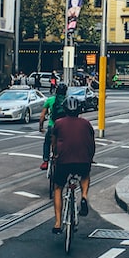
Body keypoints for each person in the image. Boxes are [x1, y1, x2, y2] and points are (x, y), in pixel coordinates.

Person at [50, 96, 95, 234]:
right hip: (83, 161)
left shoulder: (58, 123)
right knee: (85, 175)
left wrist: (55, 155)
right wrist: (90, 158)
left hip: (63, 161)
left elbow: (54, 143)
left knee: (58, 188)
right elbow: (92, 143)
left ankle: (58, 223)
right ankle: (84, 196)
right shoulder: (86, 123)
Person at [39, 83, 69, 170]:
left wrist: (41, 127)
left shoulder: (50, 100)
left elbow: (42, 116)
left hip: (52, 126)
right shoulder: (67, 100)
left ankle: (45, 161)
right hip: (64, 127)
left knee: (47, 142)